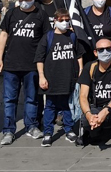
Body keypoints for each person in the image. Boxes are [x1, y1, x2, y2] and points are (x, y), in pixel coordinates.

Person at [0, 0, 49, 145]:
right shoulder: (11, 13)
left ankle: (31, 126)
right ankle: (8, 130)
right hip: (11, 64)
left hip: (32, 64)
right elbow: (3, 35)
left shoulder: (41, 15)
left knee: (32, 99)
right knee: (9, 99)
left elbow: (46, 40)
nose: (24, 1)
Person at [36, 8, 84, 146]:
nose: (64, 22)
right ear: (55, 21)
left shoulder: (72, 36)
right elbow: (39, 58)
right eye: (61, 20)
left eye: (67, 20)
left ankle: (69, 130)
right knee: (50, 106)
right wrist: (41, 76)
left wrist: (80, 69)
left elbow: (79, 54)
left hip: (69, 77)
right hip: (52, 78)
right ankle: (48, 133)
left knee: (67, 105)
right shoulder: (48, 37)